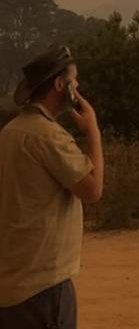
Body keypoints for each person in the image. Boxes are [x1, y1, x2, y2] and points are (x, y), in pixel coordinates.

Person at [0, 45, 104, 329]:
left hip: (10, 285)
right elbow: (93, 190)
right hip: (45, 285)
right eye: (75, 79)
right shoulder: (49, 137)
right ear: (62, 84)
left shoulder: (9, 132)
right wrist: (93, 129)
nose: (79, 85)